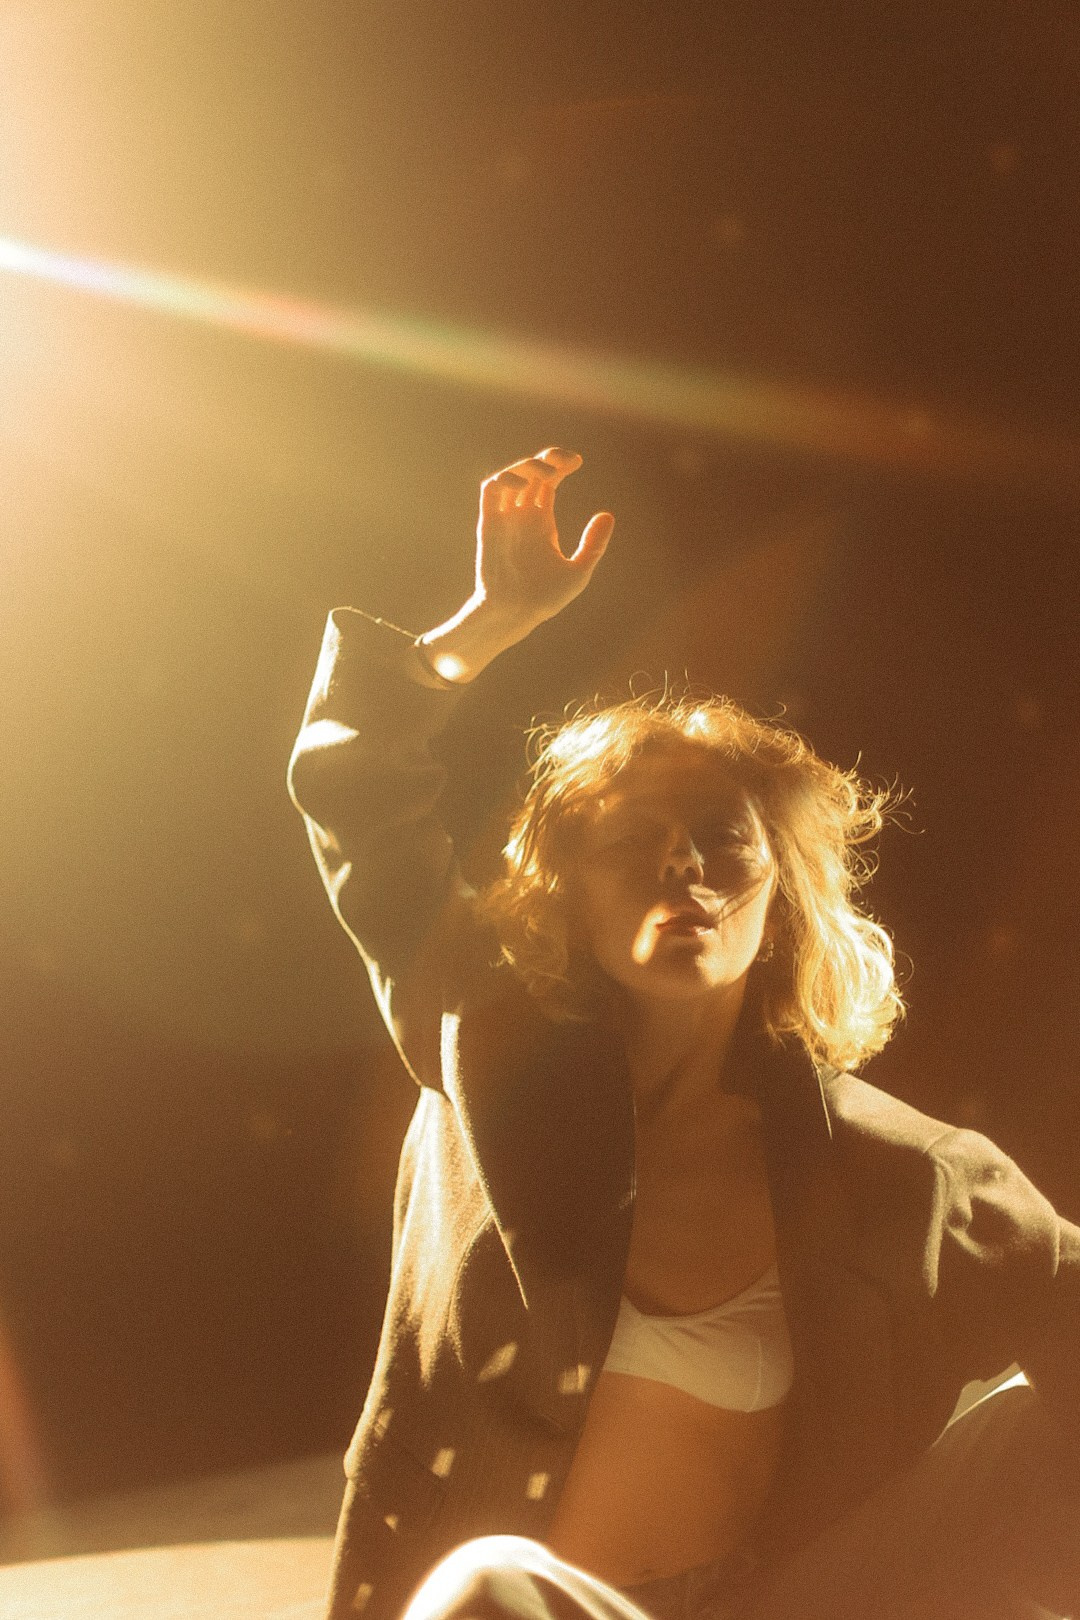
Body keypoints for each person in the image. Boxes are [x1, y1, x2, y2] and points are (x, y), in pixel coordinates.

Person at [288, 449, 1079, 1620]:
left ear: (780, 894)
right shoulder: (482, 1051)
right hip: (541, 1610)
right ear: (565, 895)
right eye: (632, 840)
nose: (682, 866)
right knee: (487, 1584)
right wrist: (479, 630)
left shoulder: (900, 1169)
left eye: (721, 835)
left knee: (1022, 1436)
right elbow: (357, 788)